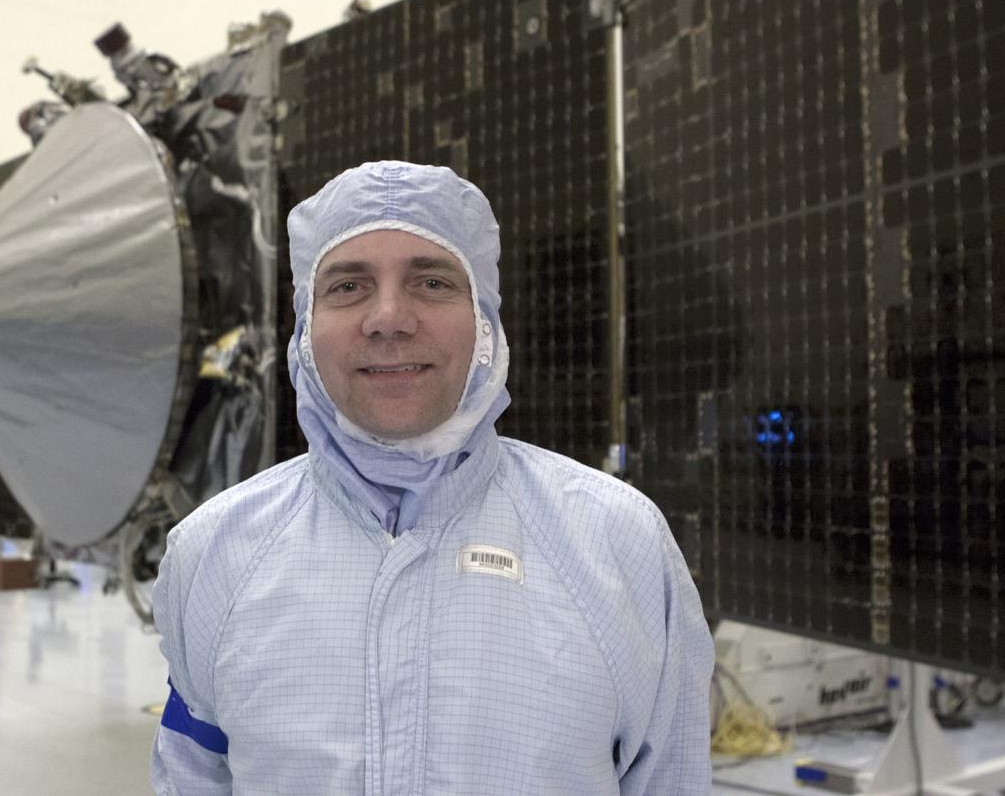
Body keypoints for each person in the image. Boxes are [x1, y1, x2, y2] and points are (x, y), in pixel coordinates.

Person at [150, 161, 715, 794]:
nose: (388, 317)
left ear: (485, 320)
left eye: (432, 281)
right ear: (306, 330)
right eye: (347, 286)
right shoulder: (214, 553)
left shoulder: (619, 543)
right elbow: (193, 778)